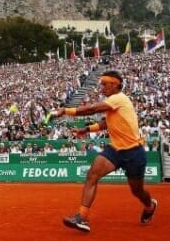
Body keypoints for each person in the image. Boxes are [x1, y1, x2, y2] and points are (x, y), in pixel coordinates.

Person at [51, 70, 157, 232]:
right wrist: (86, 129)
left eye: (105, 83)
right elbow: (104, 123)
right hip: (115, 149)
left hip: (134, 152)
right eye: (101, 83)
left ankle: (149, 206)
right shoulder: (112, 103)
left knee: (137, 190)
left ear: (115, 84)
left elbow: (92, 109)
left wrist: (66, 111)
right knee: (92, 175)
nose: (101, 87)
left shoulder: (119, 98)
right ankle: (82, 216)